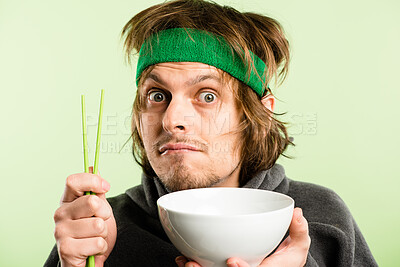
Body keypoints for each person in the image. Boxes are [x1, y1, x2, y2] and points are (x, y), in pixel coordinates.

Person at [44, 0, 378, 266]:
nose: (172, 120)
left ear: (261, 112)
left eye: (207, 95)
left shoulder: (324, 219)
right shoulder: (97, 232)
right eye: (157, 96)